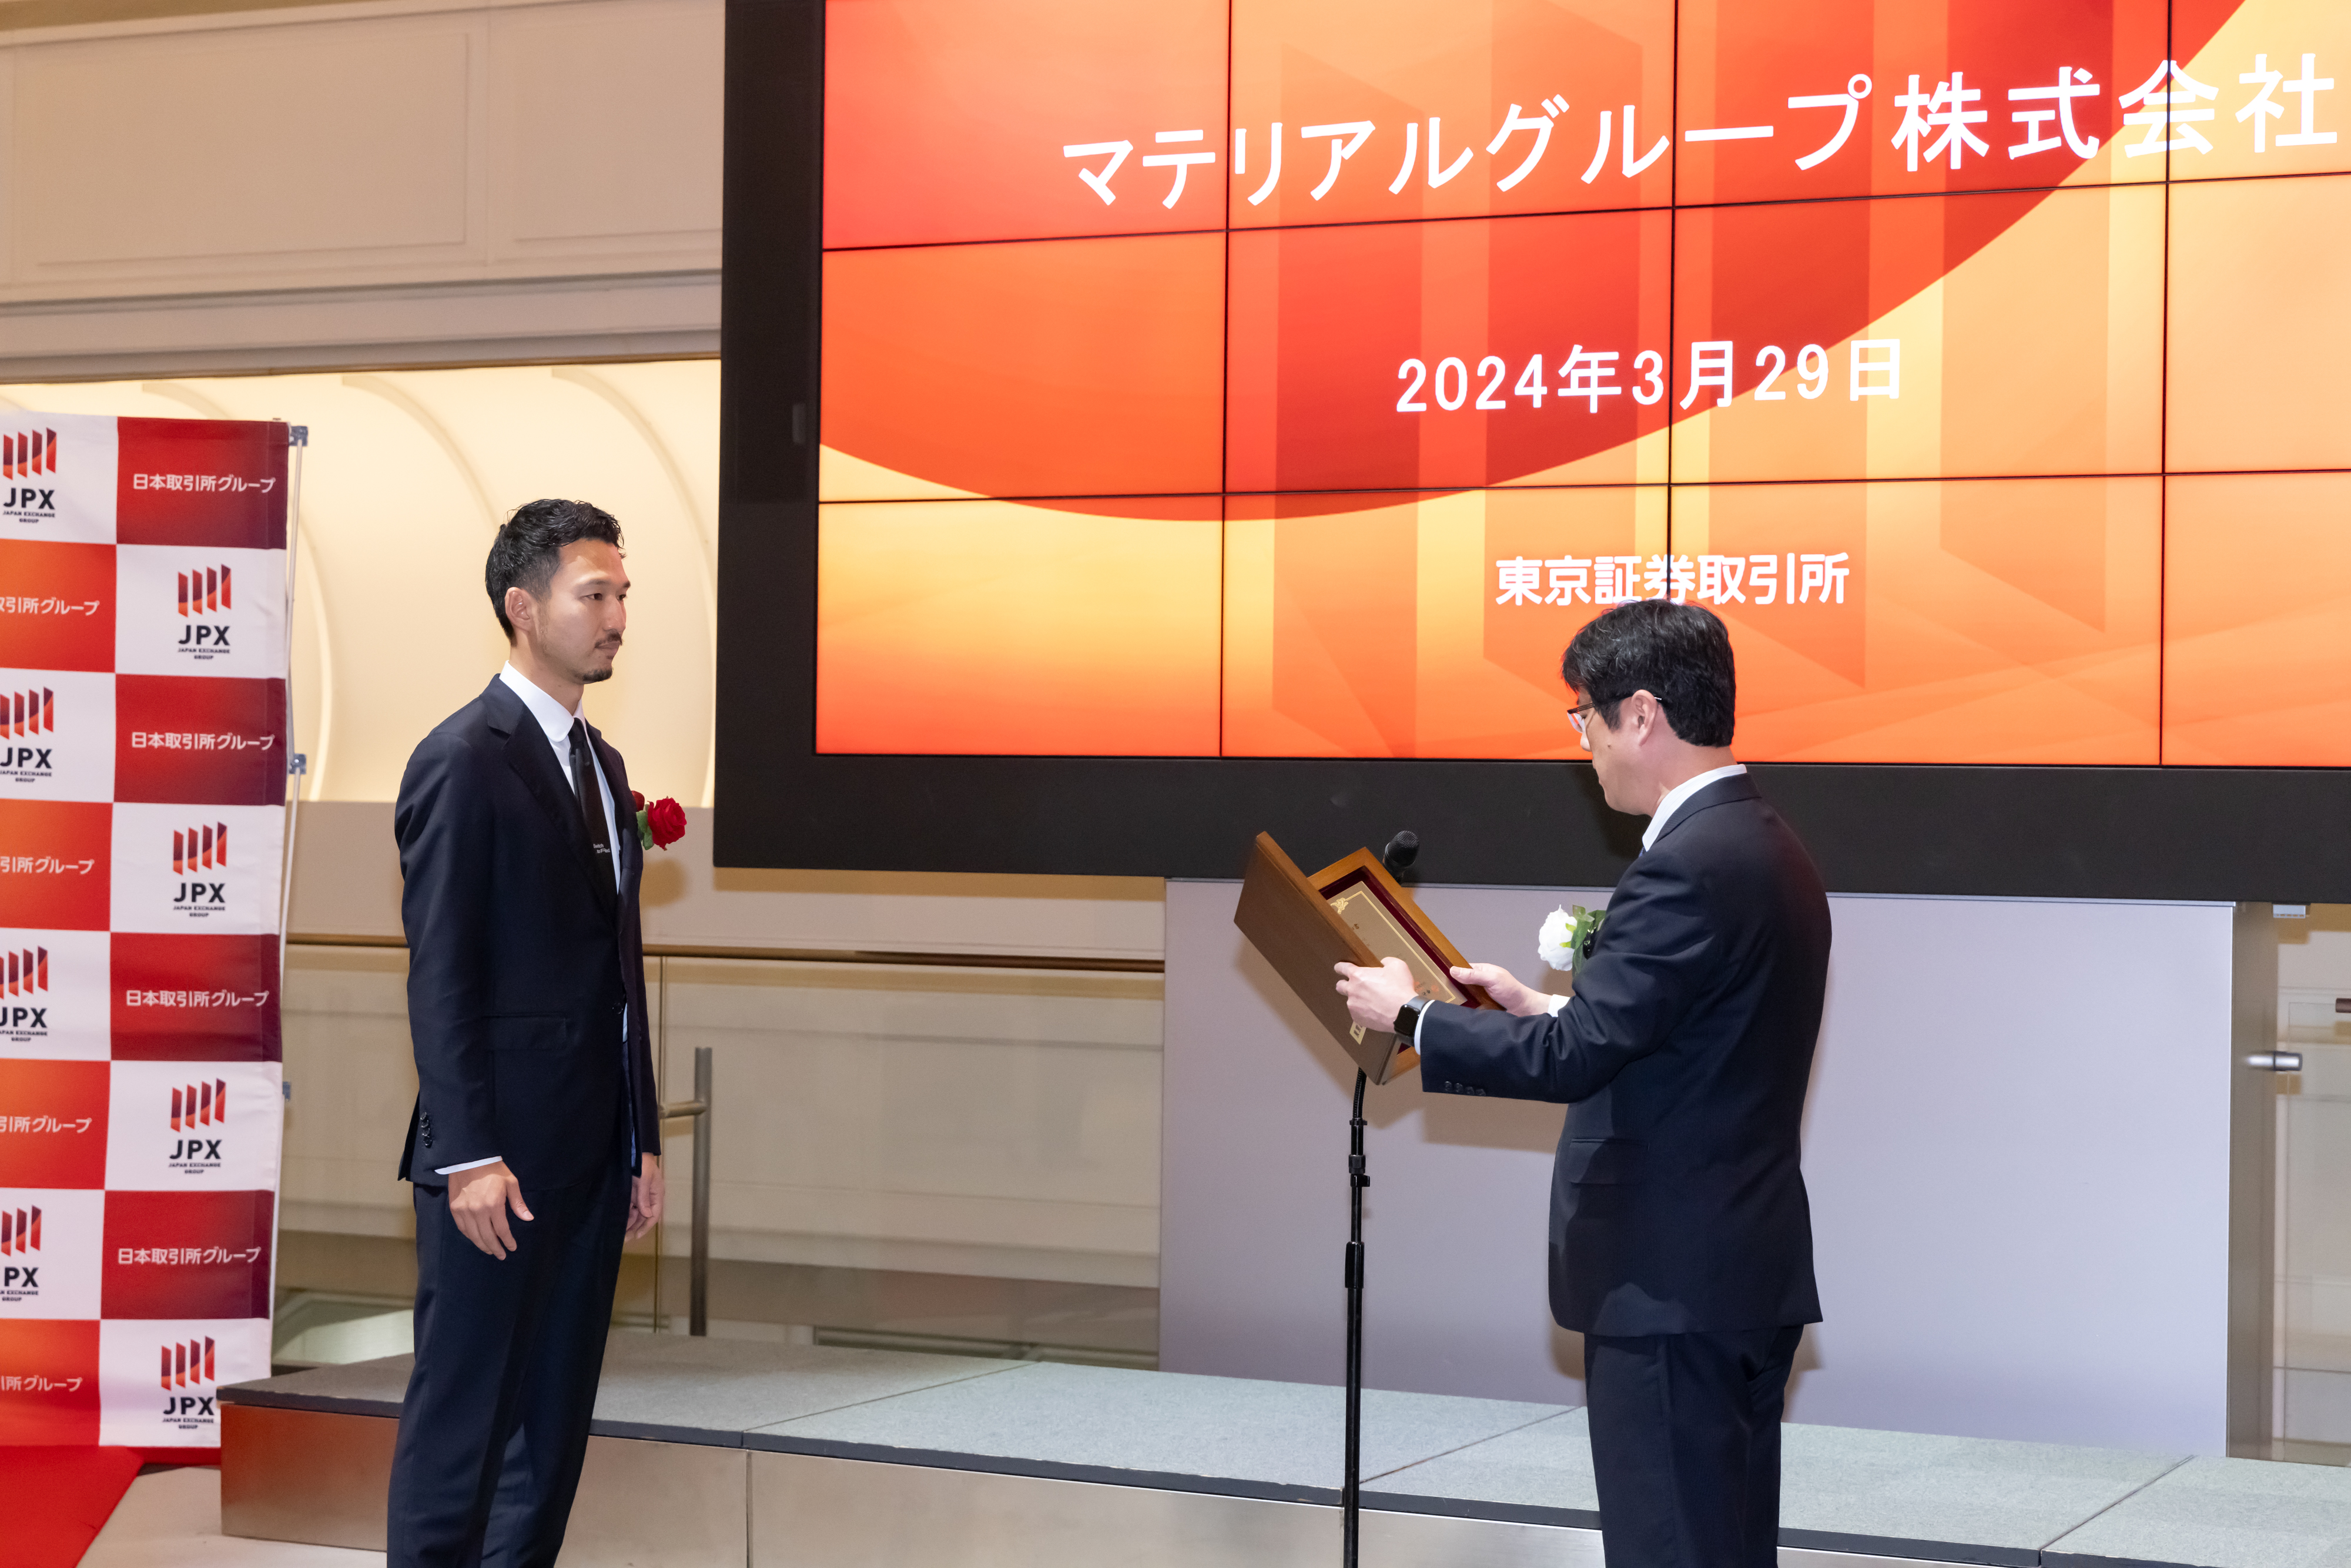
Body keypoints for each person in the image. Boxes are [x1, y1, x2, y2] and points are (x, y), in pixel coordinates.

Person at [1334, 598, 1830, 1568]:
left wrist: (1414, 1017)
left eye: (1584, 720)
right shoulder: (1765, 842)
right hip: (1734, 1270)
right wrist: (1546, 1007)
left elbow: (1576, 1061)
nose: (1584, 747)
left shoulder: (1688, 865)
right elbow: (1685, 1038)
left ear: (1640, 714)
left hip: (1668, 1283)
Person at [385, 499, 664, 1568]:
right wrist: (468, 1156)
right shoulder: (462, 759)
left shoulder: (605, 764)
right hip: (493, 1164)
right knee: (464, 1422)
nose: (617, 618)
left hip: (591, 1157)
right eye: (594, 595)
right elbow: (441, 977)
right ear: (522, 606)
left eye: (622, 596)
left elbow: (621, 975)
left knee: (551, 1430)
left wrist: (641, 1139)